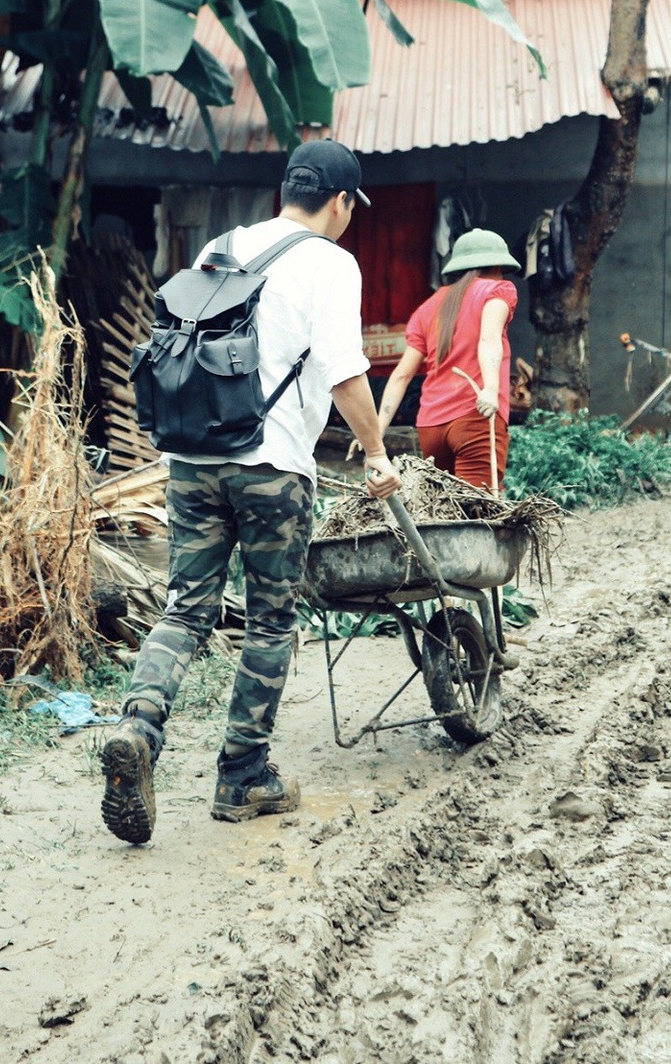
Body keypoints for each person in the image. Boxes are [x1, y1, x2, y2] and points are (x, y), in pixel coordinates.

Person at [100, 140, 399, 845]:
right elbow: (343, 372)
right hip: (271, 467)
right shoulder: (332, 262)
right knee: (270, 621)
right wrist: (380, 454)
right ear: (340, 201)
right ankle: (242, 776)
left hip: (194, 458)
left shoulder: (223, 244)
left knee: (185, 609)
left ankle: (137, 726)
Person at [368, 228, 520, 491]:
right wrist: (491, 389)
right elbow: (489, 339)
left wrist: (376, 432)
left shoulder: (428, 307)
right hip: (474, 416)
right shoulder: (498, 290)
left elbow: (402, 375)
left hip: (430, 426)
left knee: (444, 508)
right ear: (497, 264)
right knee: (477, 512)